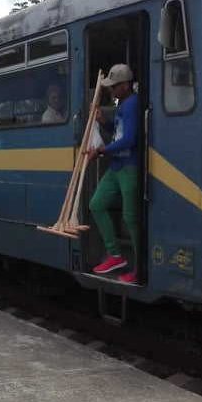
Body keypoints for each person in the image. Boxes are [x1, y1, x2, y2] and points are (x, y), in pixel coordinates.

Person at [84, 64, 141, 284]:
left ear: (125, 85)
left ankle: (139, 268)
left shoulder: (133, 104)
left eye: (114, 87)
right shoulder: (123, 104)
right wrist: (103, 122)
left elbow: (130, 140)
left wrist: (102, 150)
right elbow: (118, 135)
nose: (111, 91)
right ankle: (116, 256)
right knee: (96, 204)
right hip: (117, 166)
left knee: (131, 218)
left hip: (129, 167)